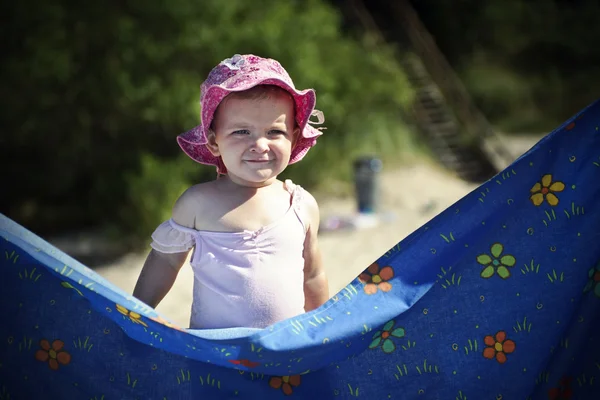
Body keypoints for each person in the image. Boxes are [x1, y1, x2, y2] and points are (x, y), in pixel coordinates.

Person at [132, 54, 330, 330]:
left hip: (288, 355)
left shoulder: (300, 204)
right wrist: (135, 312)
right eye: (241, 132)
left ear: (294, 138)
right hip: (217, 355)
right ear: (214, 141)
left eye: (274, 132)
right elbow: (164, 261)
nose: (260, 145)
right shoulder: (198, 204)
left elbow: (312, 275)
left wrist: (324, 331)